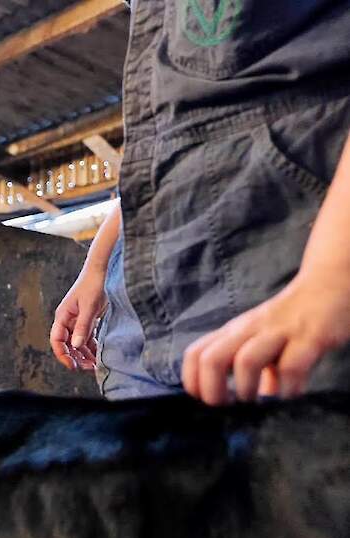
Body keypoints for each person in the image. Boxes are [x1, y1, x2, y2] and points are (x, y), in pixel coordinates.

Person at [51, 0, 350, 405]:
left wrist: (333, 276)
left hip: (278, 290)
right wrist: (99, 268)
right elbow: (160, 151)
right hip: (140, 336)